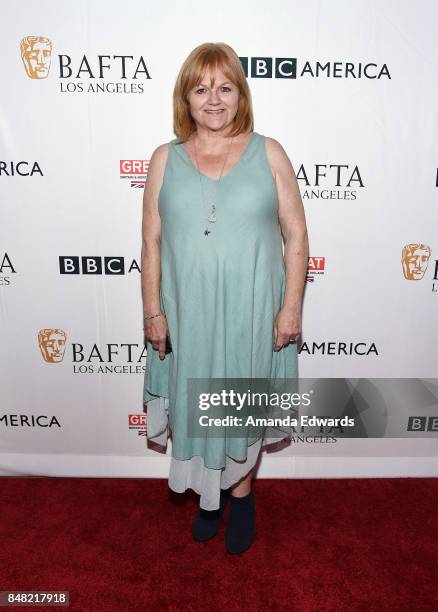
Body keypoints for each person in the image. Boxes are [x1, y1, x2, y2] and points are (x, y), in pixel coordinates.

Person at [141, 42, 308, 555]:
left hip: (252, 313)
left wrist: (292, 307)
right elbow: (150, 241)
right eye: (201, 88)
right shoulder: (164, 158)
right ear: (185, 98)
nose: (213, 99)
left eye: (225, 87)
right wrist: (153, 312)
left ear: (240, 95)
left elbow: (296, 237)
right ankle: (208, 499)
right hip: (188, 313)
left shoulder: (270, 151)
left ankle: (241, 493)